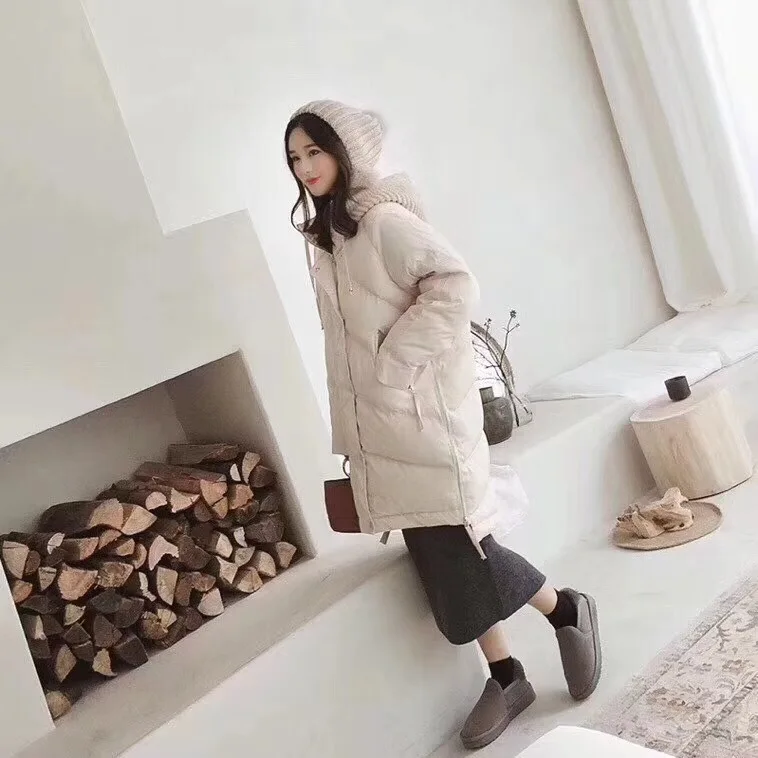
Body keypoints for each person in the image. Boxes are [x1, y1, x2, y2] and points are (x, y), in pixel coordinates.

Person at [284, 100, 601, 750]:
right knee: (439, 558)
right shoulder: (333, 240)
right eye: (295, 158)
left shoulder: (384, 223)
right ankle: (507, 674)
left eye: (315, 151)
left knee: (466, 551)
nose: (305, 167)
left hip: (422, 419)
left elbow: (455, 285)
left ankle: (566, 609)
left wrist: (395, 363)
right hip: (385, 429)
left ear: (346, 152)